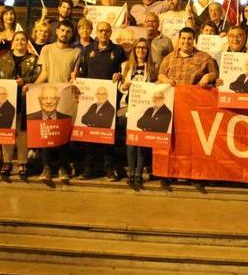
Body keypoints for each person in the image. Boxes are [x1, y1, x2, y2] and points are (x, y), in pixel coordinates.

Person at [157, 26, 218, 191]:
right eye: (183, 38)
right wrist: (165, 80)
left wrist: (207, 76)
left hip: (193, 109)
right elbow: (160, 75)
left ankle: (195, 176)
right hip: (172, 107)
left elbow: (215, 74)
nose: (186, 42)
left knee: (193, 143)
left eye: (189, 39)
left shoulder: (204, 57)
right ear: (179, 39)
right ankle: (168, 175)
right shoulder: (169, 58)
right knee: (171, 141)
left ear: (194, 40)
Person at [29, 19, 80, 184]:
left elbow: (75, 75)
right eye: (62, 30)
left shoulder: (76, 52)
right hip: (48, 95)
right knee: (46, 132)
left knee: (64, 134)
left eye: (68, 31)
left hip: (65, 97)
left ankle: (62, 167)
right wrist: (32, 86)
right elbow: (44, 74)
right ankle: (46, 167)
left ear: (72, 34)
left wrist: (75, 82)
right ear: (57, 31)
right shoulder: (46, 49)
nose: (64, 33)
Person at [0, 30, 38, 181]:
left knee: (22, 135)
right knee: (7, 134)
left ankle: (22, 163)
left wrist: (26, 80)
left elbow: (38, 76)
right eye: (17, 39)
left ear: (27, 43)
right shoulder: (3, 59)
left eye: (23, 40)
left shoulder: (33, 60)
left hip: (25, 102)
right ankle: (6, 163)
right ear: (13, 42)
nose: (20, 42)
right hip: (7, 103)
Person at [76, 21, 125, 180]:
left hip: (110, 100)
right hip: (91, 100)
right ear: (96, 32)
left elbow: (125, 72)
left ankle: (108, 168)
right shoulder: (88, 50)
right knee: (90, 134)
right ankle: (89, 168)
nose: (104, 33)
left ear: (111, 32)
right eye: (101, 30)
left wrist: (120, 75)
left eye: (107, 30)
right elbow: (82, 73)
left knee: (108, 135)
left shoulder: (118, 51)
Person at [26, 84, 73, 184]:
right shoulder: (31, 118)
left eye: (52, 98)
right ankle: (46, 168)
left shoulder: (66, 117)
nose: (48, 101)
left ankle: (63, 168)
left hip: (65, 88)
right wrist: (29, 86)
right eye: (45, 98)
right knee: (44, 135)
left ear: (58, 100)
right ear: (39, 100)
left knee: (64, 137)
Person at [120, 37, 150, 189]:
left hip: (144, 108)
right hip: (129, 107)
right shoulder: (125, 66)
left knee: (142, 142)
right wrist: (123, 86)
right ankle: (131, 173)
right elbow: (120, 87)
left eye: (144, 48)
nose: (141, 50)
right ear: (134, 49)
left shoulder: (152, 67)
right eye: (138, 47)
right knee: (131, 141)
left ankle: (139, 173)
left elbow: (156, 85)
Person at [142, 12, 173, 82]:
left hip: (158, 79)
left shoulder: (166, 41)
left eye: (153, 21)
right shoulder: (138, 37)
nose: (150, 23)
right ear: (144, 23)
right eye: (148, 21)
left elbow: (171, 61)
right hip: (140, 77)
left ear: (158, 24)